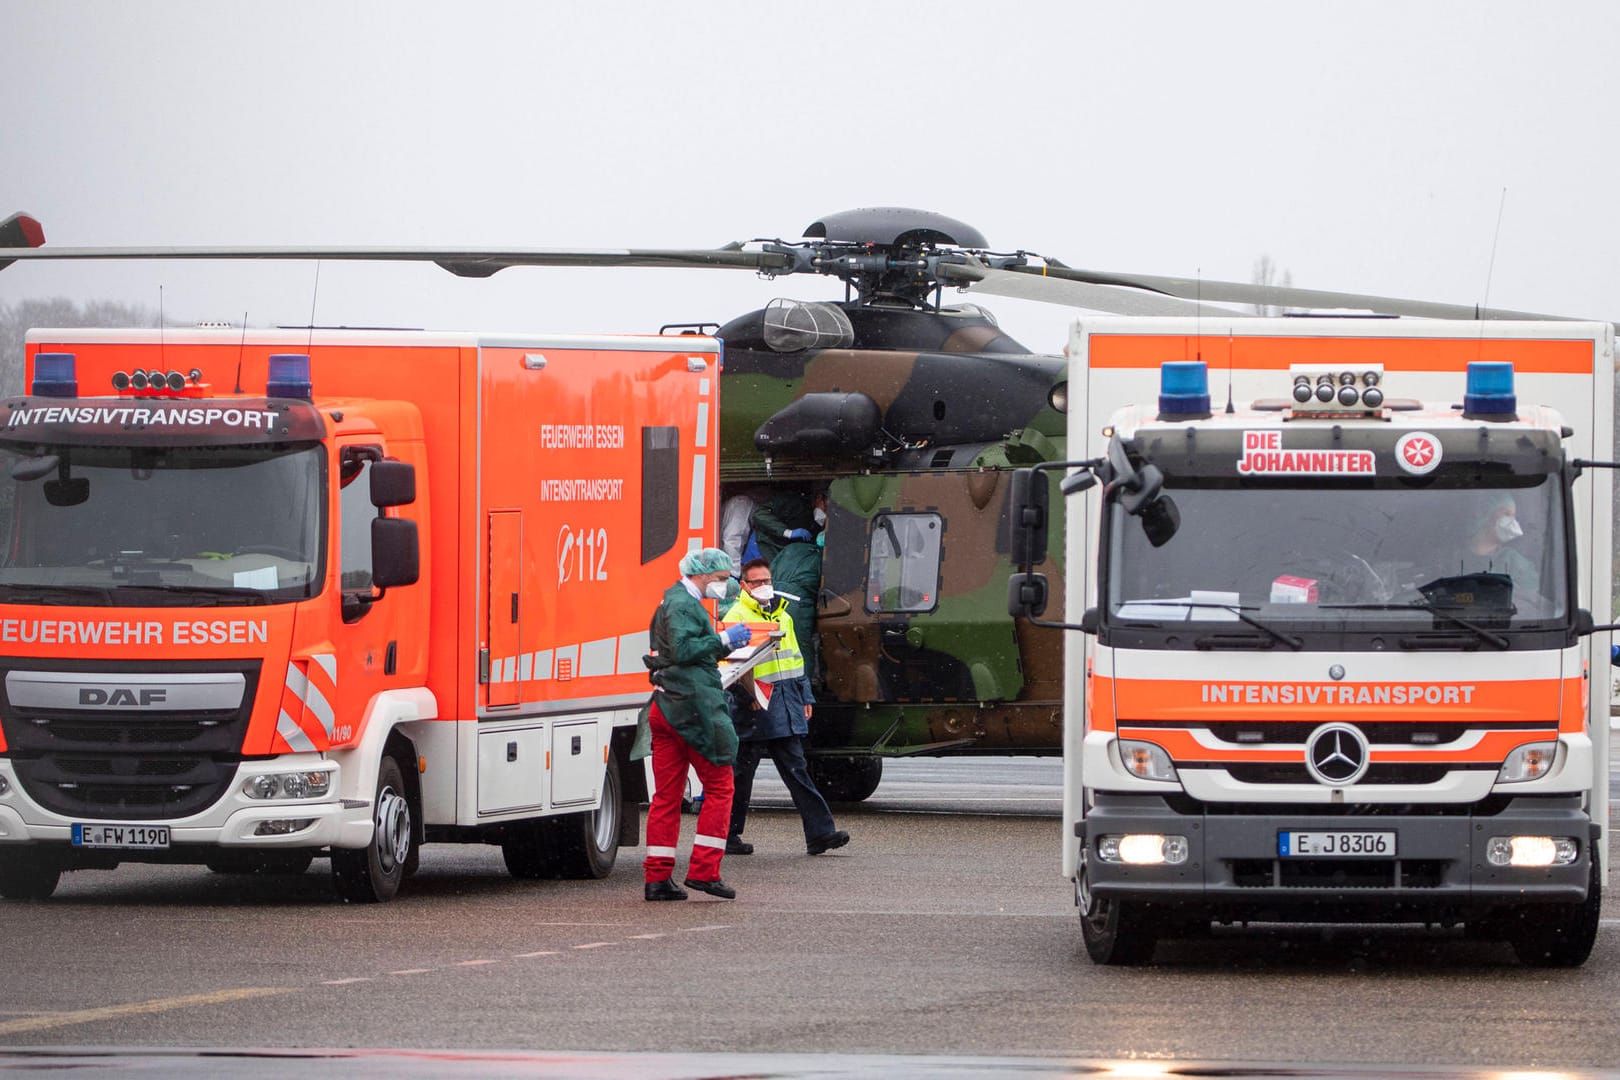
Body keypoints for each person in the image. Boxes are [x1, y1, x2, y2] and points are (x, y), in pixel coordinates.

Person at [641, 547, 754, 901]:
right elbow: (686, 649)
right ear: (702, 575)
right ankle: (704, 871)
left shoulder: (670, 601)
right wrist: (723, 640)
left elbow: (675, 651)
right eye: (720, 579)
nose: (723, 585)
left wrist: (716, 644)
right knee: (721, 786)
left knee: (667, 797)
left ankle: (658, 878)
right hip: (691, 710)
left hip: (665, 708)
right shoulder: (684, 605)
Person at [723, 557, 849, 857]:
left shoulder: (783, 617)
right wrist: (747, 698)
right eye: (757, 582)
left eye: (767, 581)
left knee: (794, 771)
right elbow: (731, 669)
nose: (764, 586)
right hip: (753, 709)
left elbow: (796, 662)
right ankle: (727, 836)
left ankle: (820, 833)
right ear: (744, 586)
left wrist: (804, 697)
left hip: (779, 705)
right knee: (741, 777)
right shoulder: (736, 617)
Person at [1448, 491, 1539, 598]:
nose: (1512, 522)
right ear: (1486, 515)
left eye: (1514, 516)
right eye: (1506, 514)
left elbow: (1530, 603)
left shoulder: (1515, 563)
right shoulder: (1453, 558)